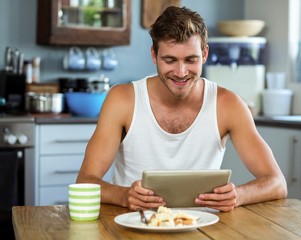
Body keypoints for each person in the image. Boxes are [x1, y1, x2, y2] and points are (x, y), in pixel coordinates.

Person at [76, 6, 287, 212]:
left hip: (203, 228)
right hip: (134, 225)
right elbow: (85, 181)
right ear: (154, 55)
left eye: (191, 60)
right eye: (170, 60)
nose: (180, 72)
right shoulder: (122, 100)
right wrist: (123, 196)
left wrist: (238, 195)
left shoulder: (228, 105)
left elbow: (277, 183)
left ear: (204, 55)